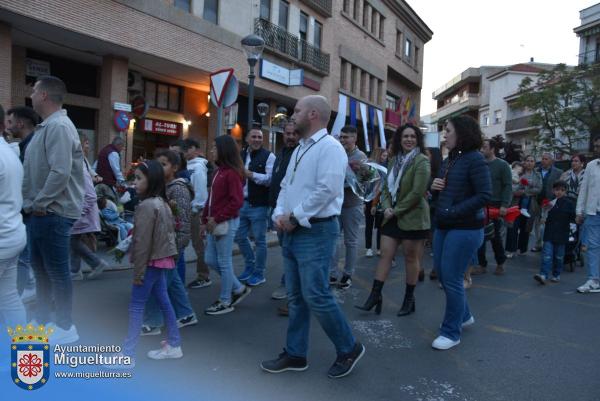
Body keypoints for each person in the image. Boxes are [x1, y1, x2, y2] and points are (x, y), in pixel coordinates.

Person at [262, 95, 364, 379]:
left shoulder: (330, 148)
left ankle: (349, 347)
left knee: (316, 295)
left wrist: (295, 216)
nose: (292, 115)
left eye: (297, 110)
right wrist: (280, 214)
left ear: (314, 114)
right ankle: (296, 354)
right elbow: (285, 185)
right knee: (296, 297)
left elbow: (328, 189)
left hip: (316, 230)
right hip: (293, 230)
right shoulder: (300, 148)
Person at [23, 75, 85, 344]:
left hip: (52, 212)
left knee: (57, 273)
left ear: (45, 95)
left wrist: (40, 203)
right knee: (41, 271)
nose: (31, 94)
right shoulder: (48, 126)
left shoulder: (59, 126)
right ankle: (45, 319)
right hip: (42, 212)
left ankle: (65, 326)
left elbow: (60, 172)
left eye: (34, 90)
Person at [356, 124, 431, 316]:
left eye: (412, 137)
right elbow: (387, 188)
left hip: (412, 216)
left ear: (417, 140)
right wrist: (387, 206)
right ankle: (375, 296)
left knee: (410, 258)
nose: (409, 140)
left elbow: (417, 192)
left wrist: (396, 211)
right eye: (405, 136)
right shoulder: (393, 160)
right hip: (391, 214)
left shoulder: (422, 161)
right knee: (385, 255)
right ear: (399, 139)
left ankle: (409, 300)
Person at [430, 116, 491, 350]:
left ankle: (451, 332)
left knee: (453, 279)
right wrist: (433, 188)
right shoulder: (450, 159)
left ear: (462, 133)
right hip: (445, 225)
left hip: (465, 228)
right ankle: (464, 316)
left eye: (448, 131)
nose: (444, 135)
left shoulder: (475, 159)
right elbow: (445, 192)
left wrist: (453, 210)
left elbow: (484, 195)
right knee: (445, 277)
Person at [117, 160, 182, 364]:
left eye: (138, 178)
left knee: (136, 306)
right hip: (161, 259)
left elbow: (142, 242)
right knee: (163, 300)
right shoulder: (162, 203)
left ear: (150, 180)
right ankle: (174, 343)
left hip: (150, 261)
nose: (134, 182)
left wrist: (138, 272)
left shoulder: (146, 206)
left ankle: (128, 355)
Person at [141, 150, 197, 335]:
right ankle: (186, 314)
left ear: (175, 167)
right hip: (163, 244)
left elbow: (183, 222)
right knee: (171, 283)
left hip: (170, 246)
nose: (159, 167)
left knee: (155, 283)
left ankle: (153, 322)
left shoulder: (178, 189)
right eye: (159, 164)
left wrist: (176, 247)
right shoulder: (163, 186)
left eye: (164, 164)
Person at [201, 135, 251, 315]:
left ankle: (225, 300)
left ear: (224, 150)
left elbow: (236, 202)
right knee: (210, 260)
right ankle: (238, 288)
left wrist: (217, 217)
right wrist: (204, 219)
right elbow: (211, 199)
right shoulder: (218, 171)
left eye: (214, 147)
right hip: (215, 222)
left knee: (223, 262)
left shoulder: (231, 173)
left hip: (225, 222)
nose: (211, 150)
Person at [5, 106, 39, 301]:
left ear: (20, 123)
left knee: (23, 258)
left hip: (29, 210)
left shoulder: (31, 145)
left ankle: (15, 296)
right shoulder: (25, 144)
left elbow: (31, 179)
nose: (8, 127)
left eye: (10, 122)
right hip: (27, 209)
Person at [236, 129, 276, 287]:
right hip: (241, 203)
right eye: (253, 136)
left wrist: (251, 175)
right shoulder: (241, 155)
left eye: (259, 137)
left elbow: (270, 179)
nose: (257, 139)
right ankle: (249, 266)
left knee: (260, 240)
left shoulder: (269, 156)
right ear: (247, 139)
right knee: (239, 236)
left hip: (259, 204)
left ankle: (259, 273)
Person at [0, 104, 27, 337]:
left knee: (8, 298)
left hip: (2, 239)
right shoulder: (9, 151)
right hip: (12, 235)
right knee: (9, 298)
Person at [330, 125, 368, 290]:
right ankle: (332, 273)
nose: (343, 140)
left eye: (346, 137)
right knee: (333, 240)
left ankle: (347, 274)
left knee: (350, 242)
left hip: (352, 205)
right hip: (335, 204)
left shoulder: (361, 157)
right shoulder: (336, 153)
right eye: (342, 137)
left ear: (354, 138)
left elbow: (365, 181)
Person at [471, 138, 512, 276]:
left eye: (485, 147)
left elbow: (508, 186)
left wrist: (504, 205)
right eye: (481, 147)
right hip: (480, 204)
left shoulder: (502, 165)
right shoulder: (479, 164)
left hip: (495, 205)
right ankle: (481, 264)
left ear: (492, 149)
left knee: (495, 237)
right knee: (479, 236)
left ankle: (500, 263)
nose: (482, 150)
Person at [269, 121, 300, 302]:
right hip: (278, 210)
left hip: (290, 213)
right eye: (288, 133)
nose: (290, 137)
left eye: (294, 134)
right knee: (286, 250)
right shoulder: (281, 154)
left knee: (290, 251)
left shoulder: (299, 154)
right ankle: (291, 284)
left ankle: (289, 285)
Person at [70, 134, 108, 281]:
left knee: (72, 240)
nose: (88, 146)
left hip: (82, 212)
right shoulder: (79, 160)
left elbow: (90, 195)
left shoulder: (78, 162)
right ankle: (75, 271)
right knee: (73, 240)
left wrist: (79, 213)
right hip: (82, 211)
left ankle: (96, 263)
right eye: (85, 143)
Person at [182, 139, 211, 289]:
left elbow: (200, 192)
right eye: (184, 149)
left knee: (198, 244)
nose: (185, 151)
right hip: (186, 210)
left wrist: (197, 210)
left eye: (188, 148)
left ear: (195, 149)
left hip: (194, 210)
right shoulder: (186, 165)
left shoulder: (198, 167)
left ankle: (203, 276)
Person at [534, 180, 575, 284]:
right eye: (557, 190)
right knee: (546, 255)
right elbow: (544, 216)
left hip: (562, 234)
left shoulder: (569, 204)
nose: (559, 192)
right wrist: (543, 218)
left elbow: (573, 219)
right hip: (549, 232)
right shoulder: (549, 203)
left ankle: (556, 274)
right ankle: (543, 274)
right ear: (553, 191)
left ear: (566, 191)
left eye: (562, 190)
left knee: (559, 256)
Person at [576, 135, 600, 293]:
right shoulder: (592, 165)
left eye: (599, 146)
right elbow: (583, 190)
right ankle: (594, 280)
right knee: (592, 247)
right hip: (593, 213)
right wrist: (579, 211)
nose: (597, 149)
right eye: (596, 146)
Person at [505, 155, 542, 257]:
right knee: (512, 226)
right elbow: (511, 186)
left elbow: (538, 189)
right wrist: (517, 192)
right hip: (516, 202)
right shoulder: (518, 172)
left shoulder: (537, 175)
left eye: (532, 161)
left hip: (530, 203)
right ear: (524, 162)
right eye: (527, 161)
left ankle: (522, 249)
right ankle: (510, 250)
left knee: (526, 227)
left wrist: (524, 192)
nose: (529, 163)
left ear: (535, 163)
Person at [531, 152, 563, 252]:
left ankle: (546, 244)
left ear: (551, 161)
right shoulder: (536, 171)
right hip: (536, 200)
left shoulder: (558, 172)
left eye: (546, 159)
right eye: (542, 158)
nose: (543, 161)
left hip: (550, 201)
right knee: (536, 223)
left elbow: (560, 187)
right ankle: (538, 243)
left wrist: (554, 199)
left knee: (545, 223)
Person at [364, 147, 388, 258]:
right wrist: (364, 201)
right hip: (369, 199)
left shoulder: (385, 168)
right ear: (378, 155)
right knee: (369, 224)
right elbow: (365, 184)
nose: (385, 158)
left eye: (386, 156)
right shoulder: (370, 167)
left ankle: (379, 248)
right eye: (383, 155)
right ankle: (368, 248)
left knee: (380, 225)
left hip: (381, 199)